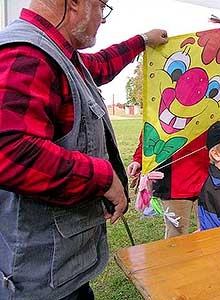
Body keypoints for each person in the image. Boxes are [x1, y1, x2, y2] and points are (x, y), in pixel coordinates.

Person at [0, 0, 167, 299]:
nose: (103, 19)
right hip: (38, 282)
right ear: (75, 3)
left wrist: (142, 41)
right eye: (102, 7)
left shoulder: (57, 55)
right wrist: (103, 179)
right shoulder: (28, 53)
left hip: (59, 272)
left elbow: (100, 65)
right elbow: (8, 152)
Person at [128, 131, 209, 238]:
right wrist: (139, 160)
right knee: (176, 234)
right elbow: (151, 133)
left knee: (209, 232)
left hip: (208, 179)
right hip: (174, 183)